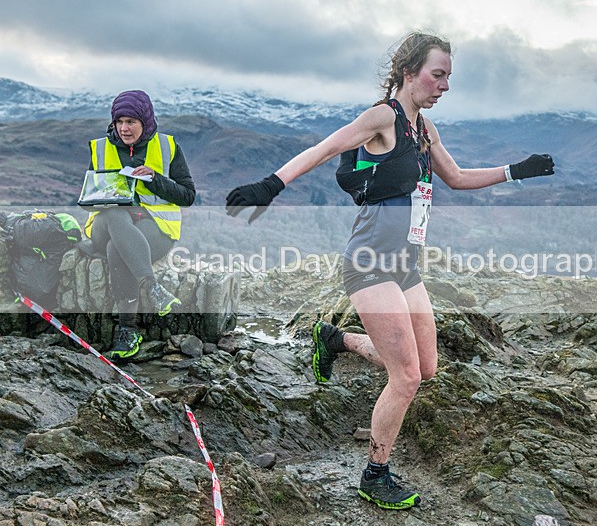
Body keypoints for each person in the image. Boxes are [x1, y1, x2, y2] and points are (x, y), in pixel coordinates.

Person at [226, 32, 554, 510]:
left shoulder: (425, 130)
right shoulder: (385, 118)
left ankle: (337, 340)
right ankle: (374, 474)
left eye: (448, 77)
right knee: (405, 378)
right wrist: (270, 185)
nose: (444, 86)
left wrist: (516, 171)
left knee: (426, 368)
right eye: (437, 75)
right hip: (370, 264)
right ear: (409, 72)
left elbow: (457, 178)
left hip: (406, 267)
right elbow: (324, 148)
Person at [83, 90, 195, 362]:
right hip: (105, 224)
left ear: (145, 121)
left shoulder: (168, 146)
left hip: (153, 228)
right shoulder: (100, 148)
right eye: (119, 121)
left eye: (131, 121)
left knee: (116, 249)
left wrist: (154, 179)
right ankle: (151, 287)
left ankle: (128, 330)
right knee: (113, 216)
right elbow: (88, 198)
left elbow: (188, 196)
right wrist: (104, 197)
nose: (124, 128)